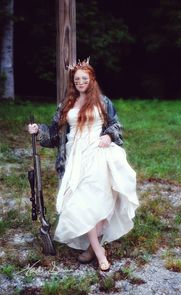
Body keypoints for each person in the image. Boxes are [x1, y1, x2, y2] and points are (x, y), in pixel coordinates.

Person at [28, 58, 139, 271]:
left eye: (84, 79)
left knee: (97, 203)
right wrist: (38, 130)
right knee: (80, 203)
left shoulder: (103, 102)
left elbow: (115, 125)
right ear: (73, 81)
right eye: (76, 79)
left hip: (98, 154)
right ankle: (98, 251)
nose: (80, 82)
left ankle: (94, 250)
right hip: (74, 158)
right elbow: (52, 134)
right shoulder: (66, 105)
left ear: (92, 79)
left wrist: (108, 135)